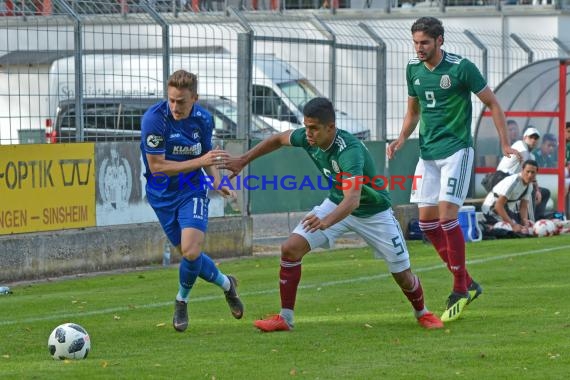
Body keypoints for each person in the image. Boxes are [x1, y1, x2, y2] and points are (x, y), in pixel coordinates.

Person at [222, 97, 444, 331]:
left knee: (402, 273)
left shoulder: (350, 151)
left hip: (373, 213)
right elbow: (278, 138)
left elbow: (353, 199)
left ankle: (423, 313)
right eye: (306, 126)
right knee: (290, 248)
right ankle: (285, 318)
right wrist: (243, 160)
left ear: (331, 127)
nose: (308, 133)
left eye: (314, 128)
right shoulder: (308, 137)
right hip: (336, 204)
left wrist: (325, 221)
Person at [387, 17, 519, 322]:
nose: (419, 48)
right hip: (427, 154)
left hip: (456, 150)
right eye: (416, 42)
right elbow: (413, 110)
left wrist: (504, 143)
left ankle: (460, 287)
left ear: (439, 41)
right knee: (427, 224)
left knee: (447, 218)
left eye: (425, 43)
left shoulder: (461, 68)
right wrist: (401, 138)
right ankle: (468, 281)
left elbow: (493, 103)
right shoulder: (413, 69)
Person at [140, 70, 244, 333]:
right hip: (161, 194)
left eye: (182, 101)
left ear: (194, 98)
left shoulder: (203, 119)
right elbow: (157, 167)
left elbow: (207, 154)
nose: (175, 106)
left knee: (192, 249)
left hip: (191, 189)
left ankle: (181, 301)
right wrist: (201, 162)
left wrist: (218, 181)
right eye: (171, 100)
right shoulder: (154, 119)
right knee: (189, 254)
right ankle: (227, 285)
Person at [497, 127, 550, 220]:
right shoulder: (520, 144)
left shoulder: (532, 156)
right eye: (531, 137)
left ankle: (539, 219)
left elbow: (532, 176)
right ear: (524, 138)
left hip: (514, 183)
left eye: (536, 138)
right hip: (501, 180)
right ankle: (529, 222)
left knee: (544, 192)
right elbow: (526, 167)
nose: (533, 140)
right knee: (530, 189)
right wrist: (534, 188)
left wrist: (538, 190)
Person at [481, 160, 538, 235]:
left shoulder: (529, 185)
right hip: (491, 210)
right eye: (528, 171)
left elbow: (523, 207)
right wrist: (513, 225)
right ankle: (488, 227)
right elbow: (498, 205)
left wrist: (524, 221)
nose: (530, 175)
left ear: (536, 173)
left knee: (523, 229)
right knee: (511, 231)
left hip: (506, 210)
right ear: (522, 170)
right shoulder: (514, 182)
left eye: (533, 172)